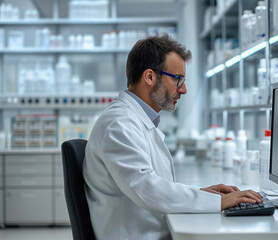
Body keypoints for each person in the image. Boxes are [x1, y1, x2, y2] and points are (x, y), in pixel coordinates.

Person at [83, 34, 263, 240]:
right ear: (149, 77)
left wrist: (202, 193)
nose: (183, 89)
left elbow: (156, 183)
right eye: (178, 79)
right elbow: (146, 188)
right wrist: (219, 202)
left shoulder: (135, 119)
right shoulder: (119, 123)